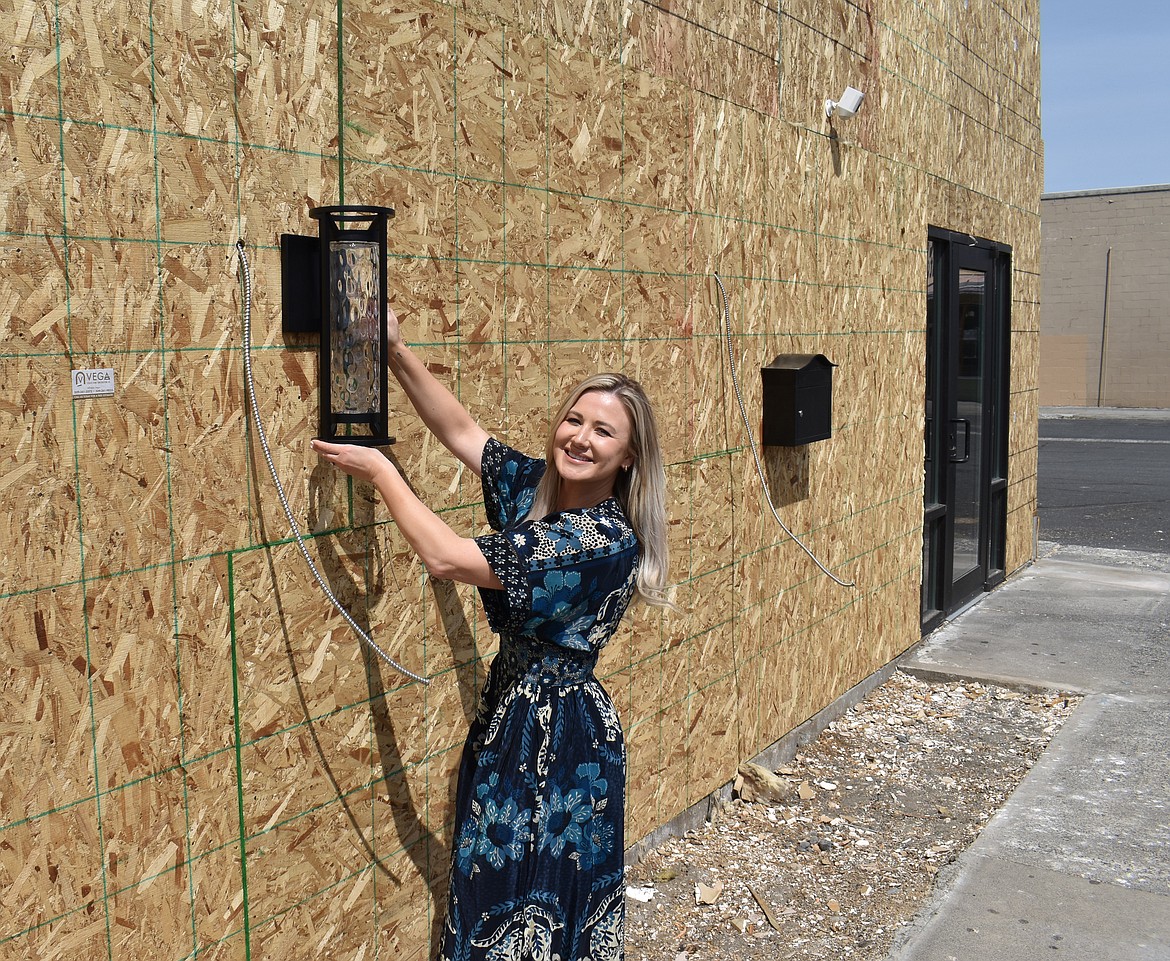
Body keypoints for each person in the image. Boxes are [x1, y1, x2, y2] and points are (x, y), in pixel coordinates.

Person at [312, 303, 672, 961]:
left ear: (627, 458)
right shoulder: (546, 490)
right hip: (512, 717)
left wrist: (383, 472)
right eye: (574, 419)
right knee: (498, 893)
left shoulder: (597, 540)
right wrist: (395, 351)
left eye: (603, 431)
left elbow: (448, 558)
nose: (581, 438)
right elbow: (464, 433)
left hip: (562, 738)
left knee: (541, 900)